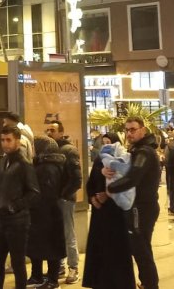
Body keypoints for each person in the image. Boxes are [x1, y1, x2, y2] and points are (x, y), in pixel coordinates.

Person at [105, 117, 160, 289]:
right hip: (140, 206)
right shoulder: (138, 150)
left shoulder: (144, 152)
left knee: (141, 251)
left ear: (143, 130)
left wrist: (111, 189)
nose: (129, 133)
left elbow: (133, 177)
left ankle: (150, 284)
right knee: (142, 248)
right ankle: (148, 283)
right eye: (127, 130)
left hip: (141, 207)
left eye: (133, 129)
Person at [0, 125, 40, 289]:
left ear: (17, 141)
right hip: (2, 220)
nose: (5, 143)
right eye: (3, 140)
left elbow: (34, 192)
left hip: (17, 222)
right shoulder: (4, 161)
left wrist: (14, 206)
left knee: (18, 264)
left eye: (8, 140)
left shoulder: (24, 164)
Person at [83, 131, 134, 288]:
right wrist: (93, 198)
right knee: (99, 249)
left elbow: (125, 184)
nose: (106, 144)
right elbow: (91, 183)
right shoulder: (100, 160)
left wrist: (107, 194)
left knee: (116, 251)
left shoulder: (123, 159)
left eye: (109, 141)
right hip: (100, 213)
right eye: (104, 141)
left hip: (116, 212)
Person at [46, 120, 82, 284]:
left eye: (52, 130)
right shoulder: (50, 150)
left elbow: (77, 179)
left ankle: (73, 268)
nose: (49, 132)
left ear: (61, 132)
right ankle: (59, 265)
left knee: (68, 233)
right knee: (55, 233)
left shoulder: (69, 150)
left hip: (65, 199)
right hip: (54, 199)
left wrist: (64, 194)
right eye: (48, 130)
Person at [28, 135, 66, 289]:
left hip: (46, 213)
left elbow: (46, 191)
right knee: (42, 246)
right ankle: (39, 277)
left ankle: (52, 280)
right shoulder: (46, 165)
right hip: (45, 212)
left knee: (51, 248)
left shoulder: (47, 167)